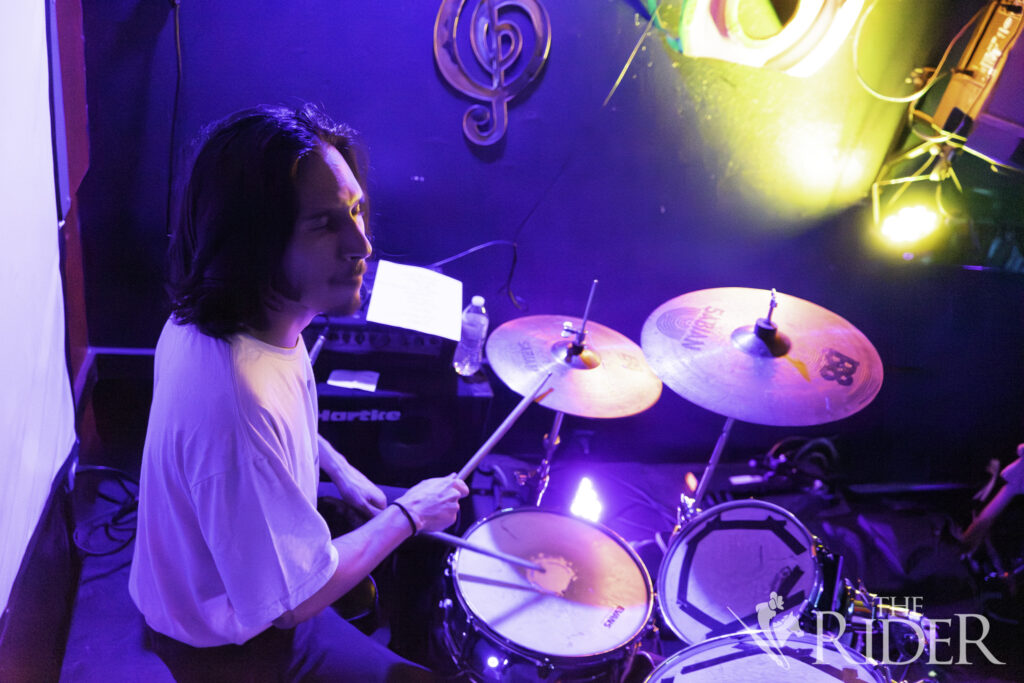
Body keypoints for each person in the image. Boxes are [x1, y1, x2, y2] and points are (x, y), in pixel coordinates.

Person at [128, 104, 469, 681]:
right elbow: (288, 608)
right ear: (254, 241)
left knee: (408, 542)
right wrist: (408, 516)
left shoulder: (211, 319)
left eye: (357, 211)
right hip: (227, 642)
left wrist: (334, 464)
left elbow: (275, 429)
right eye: (323, 224)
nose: (361, 244)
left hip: (208, 581)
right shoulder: (236, 399)